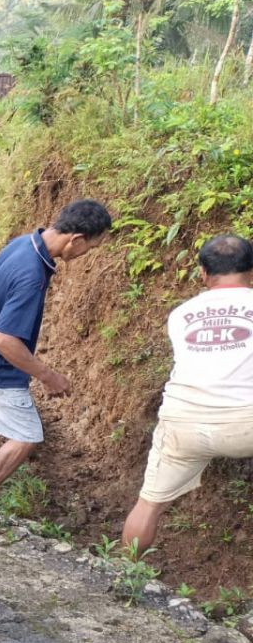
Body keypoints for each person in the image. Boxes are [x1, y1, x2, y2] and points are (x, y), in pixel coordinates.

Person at [0, 200, 113, 508]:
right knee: (27, 437)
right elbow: (4, 340)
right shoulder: (32, 275)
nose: (85, 255)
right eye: (90, 249)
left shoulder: (22, 244)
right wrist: (49, 376)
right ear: (77, 239)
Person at [122, 235, 253, 552]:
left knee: (149, 503)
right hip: (246, 424)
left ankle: (125, 576)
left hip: (183, 422)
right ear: (251, 272)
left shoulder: (180, 314)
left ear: (204, 274)